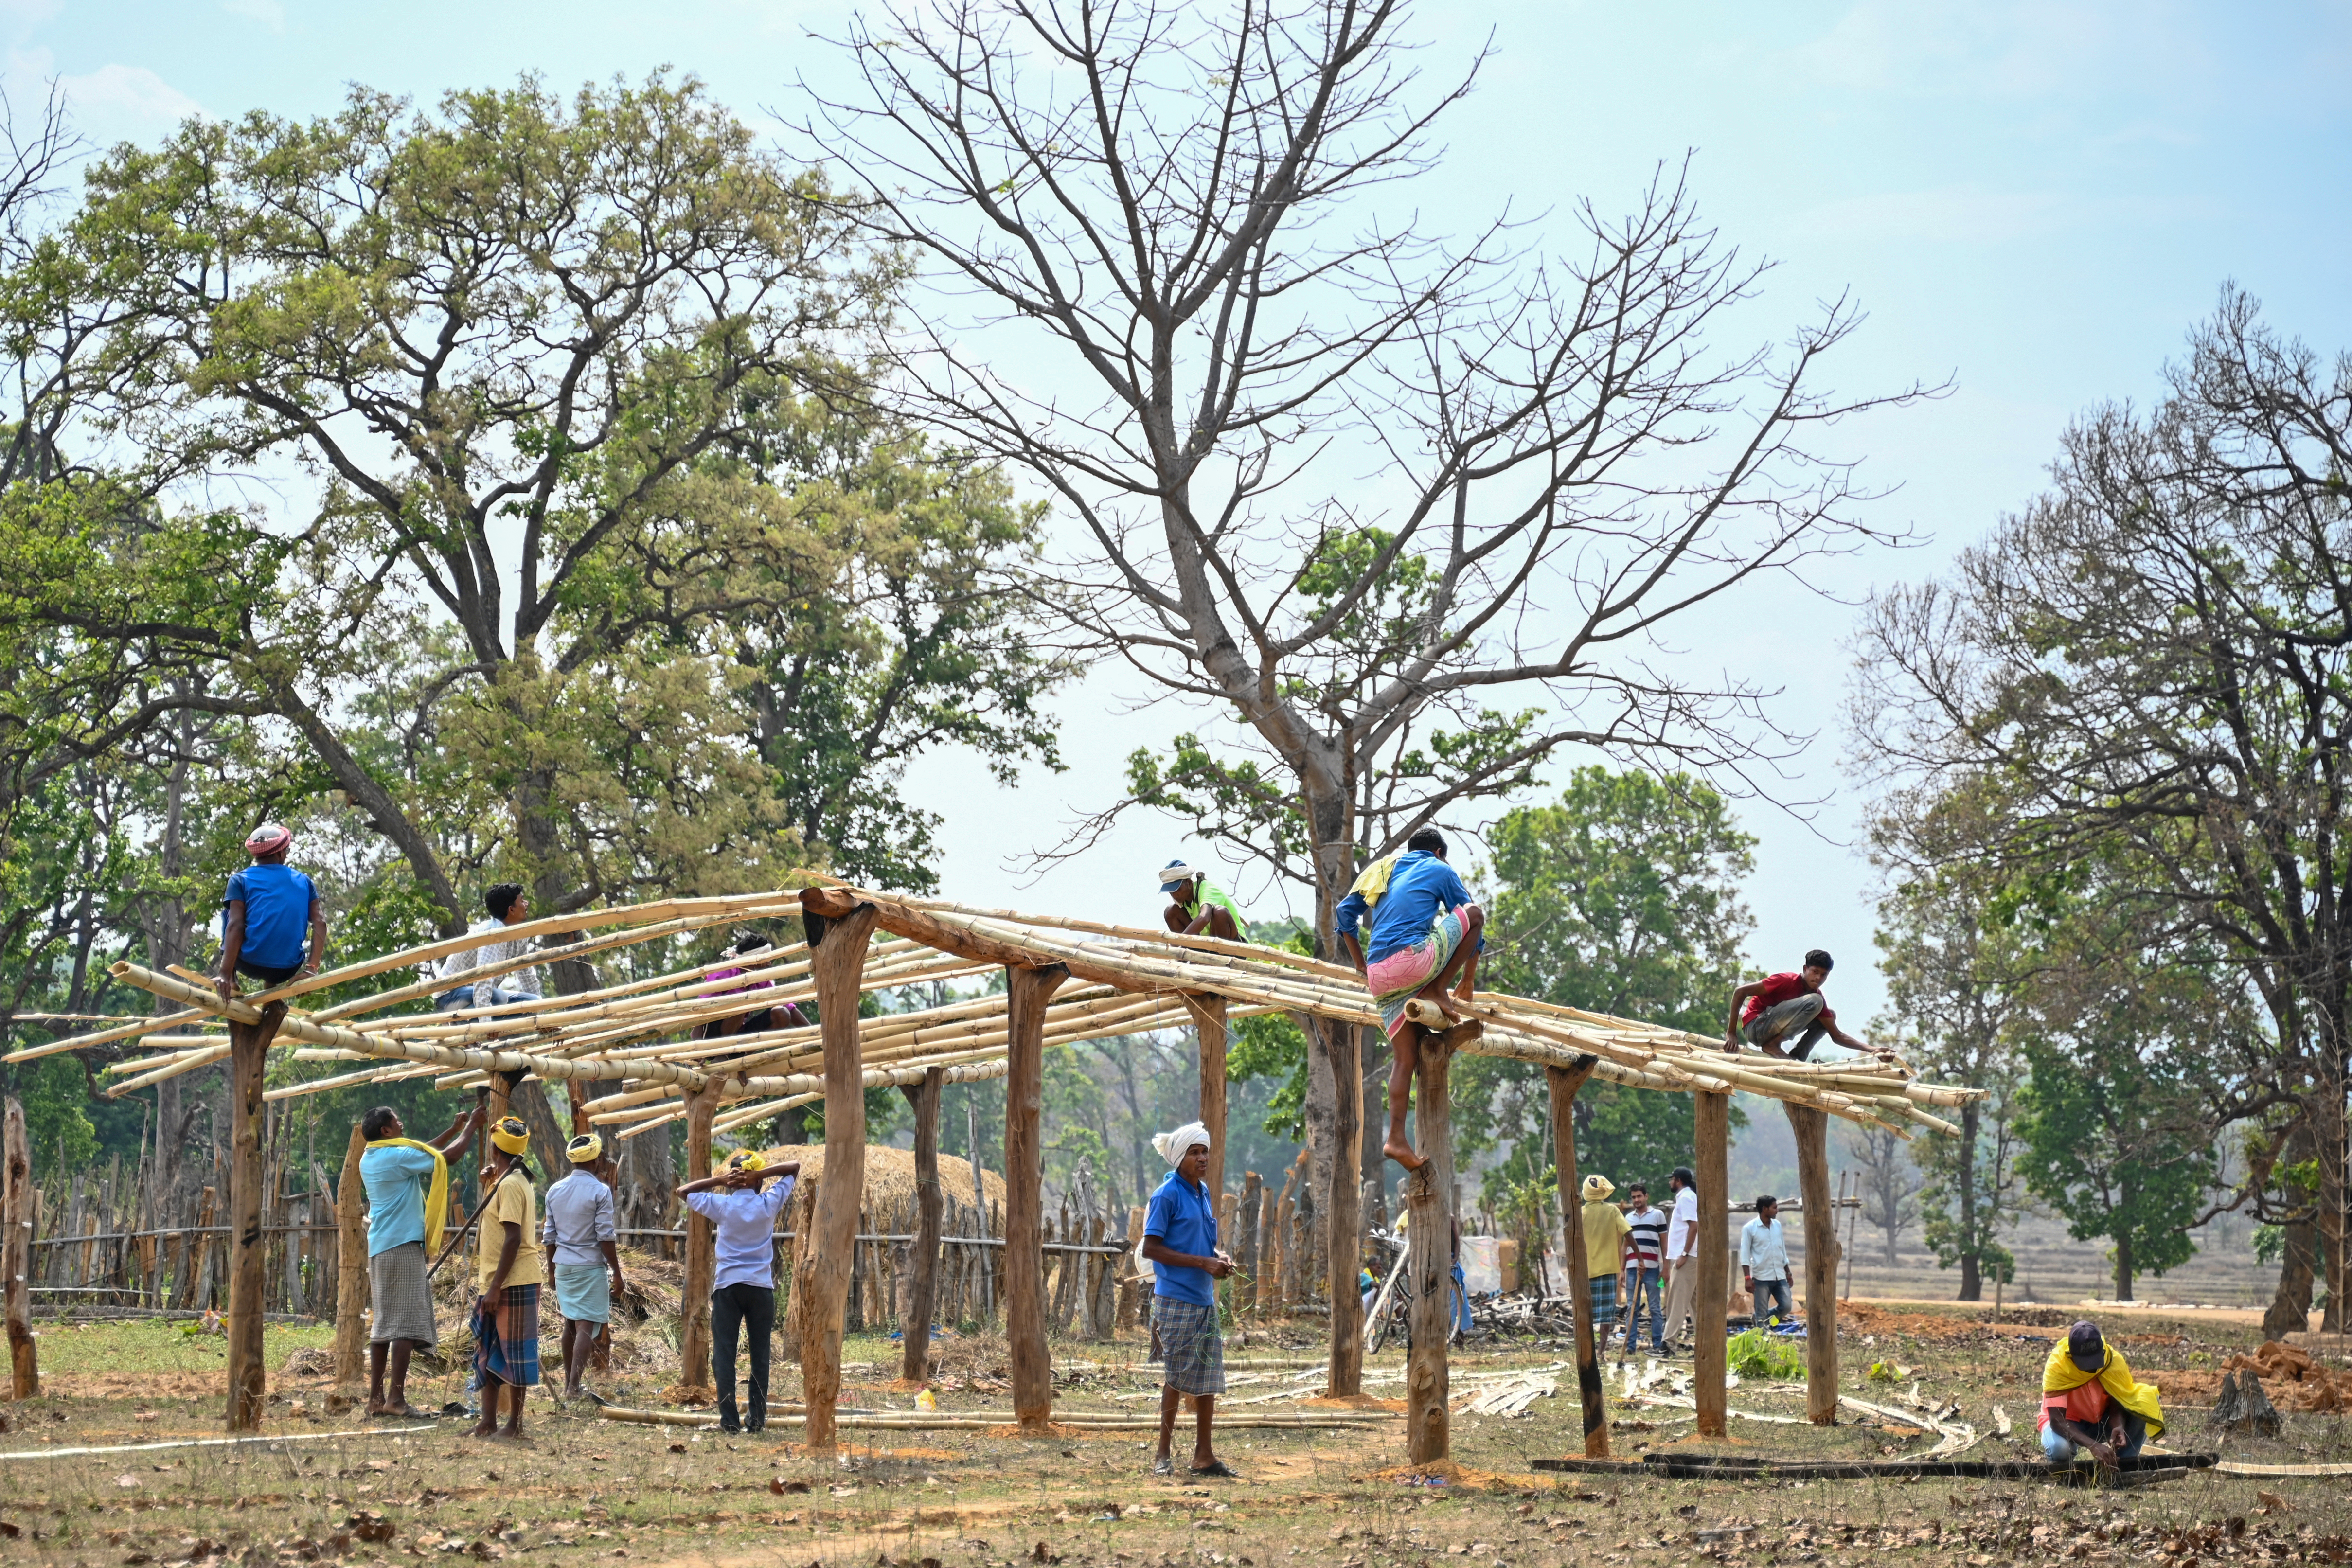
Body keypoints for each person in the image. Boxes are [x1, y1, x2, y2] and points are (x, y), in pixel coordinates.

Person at [1334, 829, 1486, 1169]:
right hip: (1413, 964)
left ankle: (1396, 1140)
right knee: (1476, 912)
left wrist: (1361, 964)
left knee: (1406, 1058)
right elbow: (1471, 921)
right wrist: (1466, 981)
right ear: (1436, 852)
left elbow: (1344, 915)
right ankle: (1439, 987)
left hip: (1379, 975)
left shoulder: (1383, 869)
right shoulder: (1439, 867)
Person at [359, 1094, 485, 1418]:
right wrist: (471, 1127)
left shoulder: (374, 1156)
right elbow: (447, 1159)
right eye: (397, 1120)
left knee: (384, 1323)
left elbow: (423, 1152)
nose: (402, 1123)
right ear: (387, 1131)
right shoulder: (394, 1158)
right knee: (402, 1324)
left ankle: (376, 1399)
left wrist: (451, 1128)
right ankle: (396, 1400)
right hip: (400, 1246)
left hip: (382, 1247)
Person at [675, 1149, 800, 1434]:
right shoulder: (768, 1202)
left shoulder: (722, 1206)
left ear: (732, 1183)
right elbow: (794, 1168)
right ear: (757, 1182)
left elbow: (684, 1191)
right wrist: (761, 1175)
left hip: (728, 1288)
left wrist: (721, 1179)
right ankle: (756, 1420)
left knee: (725, 1355)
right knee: (760, 1355)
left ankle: (729, 1421)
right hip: (760, 1289)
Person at [1141, 1121, 1237, 1479]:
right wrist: (1203, 1263)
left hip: (1203, 1298)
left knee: (1208, 1377)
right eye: (1195, 1153)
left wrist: (1219, 1256)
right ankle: (1162, 1455)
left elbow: (1200, 1242)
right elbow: (1153, 1248)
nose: (1202, 1158)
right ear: (1180, 1158)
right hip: (1176, 1298)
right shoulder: (1166, 1195)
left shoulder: (1203, 1191)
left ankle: (1204, 1455)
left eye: (1205, 1152)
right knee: (1178, 1376)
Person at [472, 1116, 547, 1442]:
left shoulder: (513, 1185)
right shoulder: (503, 1180)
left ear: (493, 1147)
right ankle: (488, 1421)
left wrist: (495, 1288)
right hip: (495, 1280)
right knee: (488, 1351)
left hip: (512, 1282)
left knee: (516, 1353)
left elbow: (514, 1239)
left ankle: (515, 1426)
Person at [543, 1132, 626, 1405]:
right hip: (589, 1267)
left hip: (563, 1265)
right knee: (586, 1327)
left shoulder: (555, 1190)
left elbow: (550, 1236)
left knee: (570, 1323)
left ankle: (569, 1383)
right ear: (598, 1159)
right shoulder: (601, 1191)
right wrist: (616, 1271)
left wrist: (552, 1271)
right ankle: (573, 1387)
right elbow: (605, 1236)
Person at [215, 822, 329, 1003]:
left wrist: (222, 972)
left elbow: (236, 925)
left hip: (248, 963)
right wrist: (311, 969)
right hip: (287, 969)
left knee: (230, 915)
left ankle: (229, 978)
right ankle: (272, 986)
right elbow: (320, 922)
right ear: (280, 853)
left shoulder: (239, 880)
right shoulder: (305, 881)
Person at [2042, 1320, 2165, 1473]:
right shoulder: (2058, 1365)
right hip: (2069, 1424)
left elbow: (2120, 1399)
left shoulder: (2112, 1360)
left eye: (2095, 1360)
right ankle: (2064, 1472)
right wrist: (2093, 1446)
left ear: (2102, 1352)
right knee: (2059, 1449)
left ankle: (2124, 1465)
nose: (2092, 1369)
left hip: (2102, 1422)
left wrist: (2118, 1426)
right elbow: (2057, 1420)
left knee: (2145, 1399)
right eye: (2085, 1363)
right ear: (2072, 1356)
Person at [1723, 950, 1882, 1062]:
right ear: (1806, 969)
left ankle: (1797, 1057)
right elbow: (1740, 992)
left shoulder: (1816, 997)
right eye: (1815, 972)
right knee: (1815, 1001)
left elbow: (1837, 1035)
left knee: (1829, 1017)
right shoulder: (1786, 980)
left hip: (1771, 1030)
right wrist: (1731, 1033)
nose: (1819, 978)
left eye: (1824, 974)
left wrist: (1873, 1050)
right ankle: (1773, 1045)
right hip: (1756, 1027)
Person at [434, 884, 541, 1014]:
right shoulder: (493, 935)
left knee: (533, 1001)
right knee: (499, 997)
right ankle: (461, 1021)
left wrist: (539, 1013)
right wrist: (487, 1023)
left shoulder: (519, 936)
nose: (526, 904)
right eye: (522, 901)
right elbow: (483, 980)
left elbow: (527, 975)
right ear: (511, 910)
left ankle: (476, 1020)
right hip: (448, 997)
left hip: (479, 996)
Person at [696, 933, 806, 1041]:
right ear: (755, 959)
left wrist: (815, 1034)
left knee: (782, 1013)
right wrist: (697, 1048)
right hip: (712, 1036)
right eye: (767, 959)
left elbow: (788, 1006)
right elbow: (701, 1005)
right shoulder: (723, 973)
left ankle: (741, 1052)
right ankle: (722, 1054)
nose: (769, 964)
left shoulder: (761, 980)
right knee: (741, 1003)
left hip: (737, 1034)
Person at [1579, 1175, 1631, 1358]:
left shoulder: (1581, 1213)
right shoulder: (1612, 1211)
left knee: (1586, 1313)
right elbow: (1628, 1233)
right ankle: (1601, 1351)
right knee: (1606, 1315)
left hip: (1586, 1270)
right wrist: (1639, 1257)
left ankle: (1587, 1351)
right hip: (1608, 1269)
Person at [1621, 1181, 1670, 1360]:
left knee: (1655, 1308)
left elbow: (1664, 1242)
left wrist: (1666, 1267)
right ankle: (1630, 1345)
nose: (1637, 1200)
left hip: (1652, 1269)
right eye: (1633, 1197)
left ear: (1646, 1196)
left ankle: (1657, 1345)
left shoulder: (1657, 1215)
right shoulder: (1628, 1218)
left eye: (1639, 1196)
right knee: (1631, 1308)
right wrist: (1622, 1269)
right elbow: (1625, 1245)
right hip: (1633, 1269)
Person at [1658, 1166, 1700, 1354]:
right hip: (1689, 1257)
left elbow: (1694, 1226)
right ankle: (1707, 1342)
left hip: (1687, 1258)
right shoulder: (1685, 1198)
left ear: (1678, 1180)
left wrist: (1684, 1254)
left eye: (1672, 1179)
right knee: (1696, 1304)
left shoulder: (1687, 1198)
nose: (1670, 1183)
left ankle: (1668, 1344)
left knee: (1676, 1301)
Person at [1741, 1195, 1794, 1327]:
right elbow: (1745, 1255)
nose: (1777, 1210)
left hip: (1779, 1275)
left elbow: (1782, 1249)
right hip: (1761, 1278)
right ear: (1765, 1209)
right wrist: (1748, 1278)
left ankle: (1760, 1319)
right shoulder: (1750, 1228)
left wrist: (1788, 1272)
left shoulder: (1777, 1226)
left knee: (1786, 1306)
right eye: (1774, 1208)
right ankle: (1761, 1340)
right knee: (1761, 1311)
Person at [1158, 860, 1245, 942]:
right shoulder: (1183, 902)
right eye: (1171, 892)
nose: (1175, 895)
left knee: (1220, 912)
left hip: (1234, 943)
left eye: (1178, 890)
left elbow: (1204, 918)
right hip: (1208, 945)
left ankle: (1222, 953)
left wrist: (1180, 941)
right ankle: (1187, 954)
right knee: (1171, 911)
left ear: (1189, 883)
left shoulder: (1207, 888)